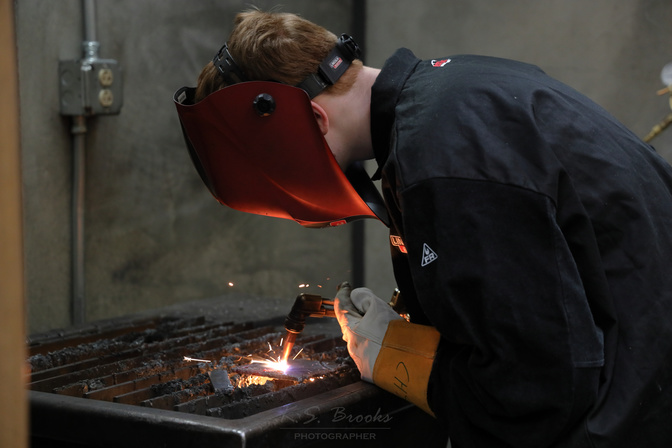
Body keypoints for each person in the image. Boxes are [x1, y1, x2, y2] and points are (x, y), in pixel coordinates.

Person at [174, 9, 672, 448]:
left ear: (314, 119)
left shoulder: (443, 158)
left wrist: (400, 362)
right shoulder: (449, 99)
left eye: (274, 166)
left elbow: (534, 394)